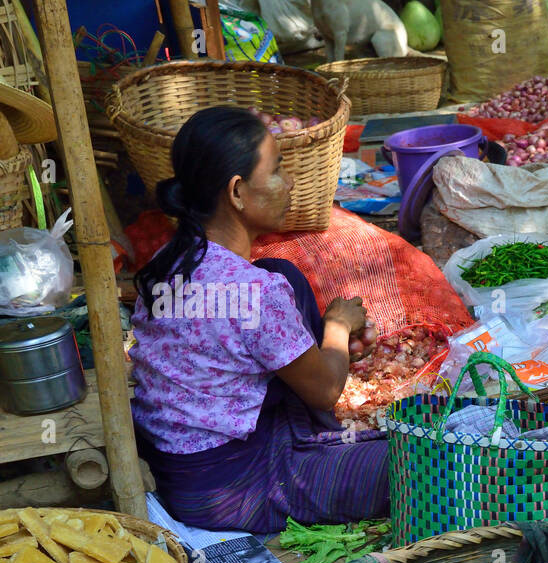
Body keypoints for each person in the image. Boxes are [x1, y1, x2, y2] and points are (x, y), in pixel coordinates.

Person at [130, 106, 388, 534]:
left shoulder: (166, 264)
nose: (289, 183)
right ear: (236, 192)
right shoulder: (254, 293)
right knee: (418, 463)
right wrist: (337, 327)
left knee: (282, 270)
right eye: (277, 170)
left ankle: (314, 437)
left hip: (179, 472)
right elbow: (325, 391)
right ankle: (314, 453)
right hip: (238, 489)